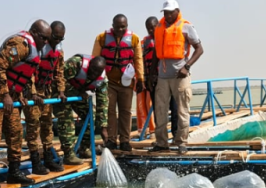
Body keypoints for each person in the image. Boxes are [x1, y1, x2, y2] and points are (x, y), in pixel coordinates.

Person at [0, 20, 50, 188]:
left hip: (11, 96)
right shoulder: (20, 44)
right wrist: (6, 94)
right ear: (34, 33)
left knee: (16, 132)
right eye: (44, 38)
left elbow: (25, 73)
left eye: (48, 39)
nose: (46, 42)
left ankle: (14, 171)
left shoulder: (34, 50)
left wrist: (24, 94)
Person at [150, 0, 204, 154]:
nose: (167, 15)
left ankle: (181, 142)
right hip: (162, 76)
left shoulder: (186, 26)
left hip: (180, 76)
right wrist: (152, 73)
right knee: (160, 110)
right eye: (165, 12)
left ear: (177, 11)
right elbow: (156, 52)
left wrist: (187, 67)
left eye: (169, 12)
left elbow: (199, 49)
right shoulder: (159, 27)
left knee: (182, 110)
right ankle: (161, 142)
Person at [92, 14, 145, 151]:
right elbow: (94, 59)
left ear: (127, 26)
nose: (120, 29)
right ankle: (111, 140)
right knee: (109, 111)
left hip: (126, 82)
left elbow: (138, 59)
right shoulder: (102, 38)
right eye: (117, 27)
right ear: (112, 25)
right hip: (108, 81)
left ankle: (125, 141)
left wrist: (141, 79)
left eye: (123, 27)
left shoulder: (134, 39)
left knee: (125, 111)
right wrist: (94, 82)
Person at [24, 20, 66, 174]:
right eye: (55, 37)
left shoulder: (59, 51)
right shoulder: (39, 49)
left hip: (47, 92)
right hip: (33, 92)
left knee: (47, 126)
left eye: (61, 39)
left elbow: (59, 72)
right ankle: (35, 162)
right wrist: (33, 93)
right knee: (33, 127)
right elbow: (30, 72)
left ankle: (48, 159)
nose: (57, 41)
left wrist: (61, 91)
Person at [55, 54, 108, 164]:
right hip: (60, 95)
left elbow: (102, 102)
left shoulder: (102, 80)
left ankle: (84, 148)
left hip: (77, 96)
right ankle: (68, 154)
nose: (93, 74)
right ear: (89, 64)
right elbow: (58, 79)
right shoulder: (75, 63)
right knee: (67, 119)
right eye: (92, 70)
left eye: (96, 73)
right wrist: (77, 92)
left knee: (91, 115)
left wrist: (103, 127)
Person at [140, 16, 177, 138]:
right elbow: (142, 63)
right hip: (154, 81)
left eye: (153, 27)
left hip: (167, 77)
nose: (151, 30)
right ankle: (160, 136)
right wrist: (146, 80)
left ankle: (176, 132)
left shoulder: (165, 38)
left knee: (174, 105)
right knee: (158, 109)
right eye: (148, 28)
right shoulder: (144, 43)